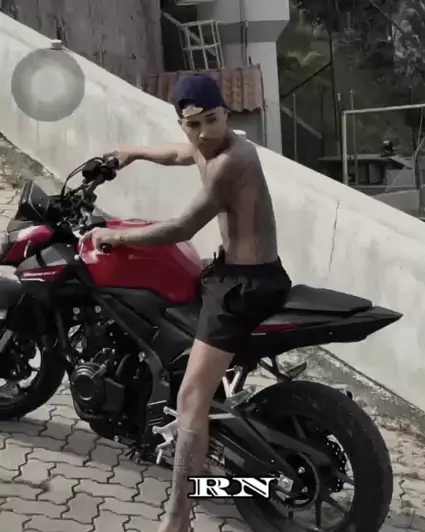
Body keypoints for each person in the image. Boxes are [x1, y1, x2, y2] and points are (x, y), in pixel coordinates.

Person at [80, 73, 291, 532]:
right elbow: (179, 153)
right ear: (182, 124)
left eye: (211, 120)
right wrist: (133, 152)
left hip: (245, 286)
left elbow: (181, 228)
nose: (203, 132)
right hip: (235, 273)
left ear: (226, 114)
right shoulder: (205, 146)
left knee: (190, 397)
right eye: (193, 125)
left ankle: (178, 518)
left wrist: (115, 235)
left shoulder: (232, 160)